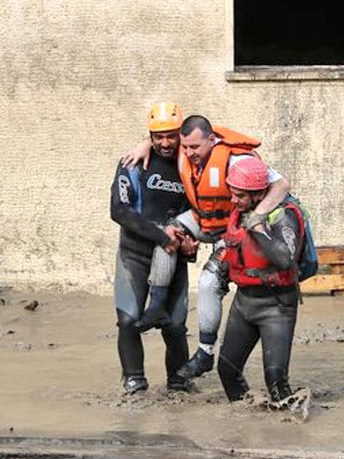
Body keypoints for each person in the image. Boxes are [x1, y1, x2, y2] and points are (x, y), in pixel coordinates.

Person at [123, 115, 290, 381]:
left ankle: (205, 352)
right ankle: (156, 304)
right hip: (206, 220)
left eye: (195, 148)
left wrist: (256, 218)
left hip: (234, 228)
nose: (189, 153)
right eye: (185, 147)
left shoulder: (237, 161)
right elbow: (164, 137)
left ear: (211, 140)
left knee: (208, 281)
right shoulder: (185, 148)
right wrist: (145, 143)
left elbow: (282, 184)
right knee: (168, 230)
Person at [110, 102, 196, 394]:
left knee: (174, 326)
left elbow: (201, 214)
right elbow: (119, 211)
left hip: (173, 256)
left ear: (180, 134)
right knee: (128, 320)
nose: (164, 143)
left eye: (171, 135)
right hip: (134, 254)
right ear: (149, 135)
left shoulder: (192, 164)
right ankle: (134, 381)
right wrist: (161, 235)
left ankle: (179, 383)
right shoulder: (132, 163)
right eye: (157, 137)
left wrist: (189, 245)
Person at [215, 156, 305, 402]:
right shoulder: (239, 212)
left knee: (275, 381)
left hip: (276, 306)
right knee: (226, 370)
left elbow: (285, 259)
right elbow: (234, 250)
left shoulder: (283, 216)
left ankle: (285, 432)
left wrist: (259, 229)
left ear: (259, 194)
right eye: (233, 194)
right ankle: (244, 425)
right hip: (244, 303)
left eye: (240, 196)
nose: (234, 200)